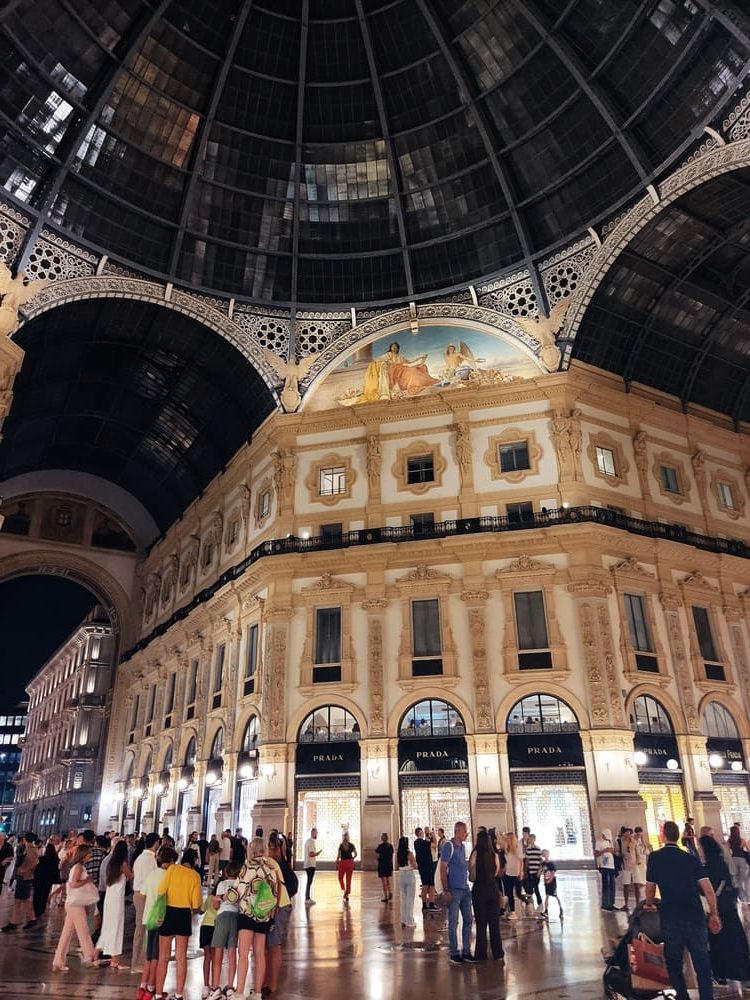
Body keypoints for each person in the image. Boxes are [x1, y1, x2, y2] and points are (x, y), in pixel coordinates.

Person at [644, 819, 720, 1000]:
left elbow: (650, 888)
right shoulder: (690, 858)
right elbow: (708, 890)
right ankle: (707, 997)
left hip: (671, 916)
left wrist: (649, 903)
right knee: (701, 961)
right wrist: (714, 914)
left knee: (674, 961)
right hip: (695, 916)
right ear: (678, 836)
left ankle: (682, 996)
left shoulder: (655, 858)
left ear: (663, 836)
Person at [698, 833, 750, 985]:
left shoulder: (709, 866)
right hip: (727, 904)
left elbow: (709, 888)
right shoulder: (721, 861)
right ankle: (739, 970)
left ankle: (721, 971)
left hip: (718, 906)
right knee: (733, 937)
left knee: (718, 938)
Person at [235, 836, 283, 1000]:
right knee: (260, 954)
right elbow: (275, 893)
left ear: (252, 849)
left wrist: (224, 897)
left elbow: (239, 889)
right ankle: (257, 993)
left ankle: (239, 992)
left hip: (248, 914)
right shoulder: (270, 868)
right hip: (263, 915)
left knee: (243, 954)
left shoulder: (249, 865)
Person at [154, 848, 203, 1000]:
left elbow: (161, 890)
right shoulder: (195, 876)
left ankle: (158, 993)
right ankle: (179, 994)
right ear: (194, 862)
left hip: (169, 912)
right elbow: (196, 905)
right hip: (183, 915)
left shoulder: (172, 869)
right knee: (181, 957)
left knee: (163, 956)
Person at [51, 844, 100, 971]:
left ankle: (58, 961)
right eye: (89, 853)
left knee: (67, 933)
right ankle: (90, 957)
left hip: (74, 903)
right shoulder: (78, 867)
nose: (90, 855)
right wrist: (87, 880)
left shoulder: (79, 867)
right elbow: (73, 884)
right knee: (83, 930)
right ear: (83, 854)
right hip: (75, 904)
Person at [139, 846, 178, 1000]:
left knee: (149, 956)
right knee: (158, 956)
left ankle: (142, 986)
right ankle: (151, 988)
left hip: (149, 918)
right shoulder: (168, 877)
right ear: (171, 862)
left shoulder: (152, 874)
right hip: (162, 920)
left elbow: (142, 895)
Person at [264, 830, 298, 996]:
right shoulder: (280, 864)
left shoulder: (276, 865)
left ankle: (272, 984)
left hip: (278, 906)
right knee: (266, 945)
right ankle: (265, 981)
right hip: (269, 907)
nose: (268, 851)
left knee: (273, 943)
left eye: (270, 848)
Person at [439, 821, 475, 965]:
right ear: (458, 831)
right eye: (465, 831)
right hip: (453, 890)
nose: (466, 834)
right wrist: (446, 889)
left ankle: (466, 951)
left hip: (465, 889)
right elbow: (443, 869)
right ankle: (454, 953)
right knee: (454, 922)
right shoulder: (449, 846)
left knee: (468, 919)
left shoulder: (463, 847)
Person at [469, 829, 504, 962]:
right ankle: (498, 953)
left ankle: (480, 954)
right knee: (494, 924)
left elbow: (472, 875)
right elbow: (496, 872)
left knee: (481, 924)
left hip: (479, 891)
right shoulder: (494, 855)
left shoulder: (475, 854)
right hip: (492, 891)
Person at [98, 838, 133, 969]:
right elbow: (130, 876)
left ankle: (97, 953)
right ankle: (115, 960)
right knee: (117, 927)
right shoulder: (122, 864)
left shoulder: (110, 862)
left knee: (108, 925)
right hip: (117, 899)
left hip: (109, 897)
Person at [209, 861, 241, 999]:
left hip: (222, 917)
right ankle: (230, 987)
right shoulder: (240, 885)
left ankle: (215, 987)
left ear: (226, 873)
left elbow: (216, 905)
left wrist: (219, 899)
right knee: (232, 953)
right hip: (235, 917)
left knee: (218, 953)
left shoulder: (222, 885)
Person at [132, 831, 160, 973]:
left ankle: (139, 961)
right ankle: (138, 963)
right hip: (144, 896)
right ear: (156, 843)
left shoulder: (140, 858)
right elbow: (152, 880)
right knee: (142, 930)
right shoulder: (149, 860)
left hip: (139, 894)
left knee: (142, 929)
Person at [1, 831, 38, 931]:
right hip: (25, 877)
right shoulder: (32, 849)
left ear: (25, 839)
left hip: (24, 877)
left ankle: (15, 922)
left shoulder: (30, 850)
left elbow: (33, 863)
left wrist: (22, 870)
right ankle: (28, 919)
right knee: (24, 900)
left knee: (19, 900)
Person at [32, 842, 60, 919]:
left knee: (37, 895)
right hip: (48, 881)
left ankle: (36, 910)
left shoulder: (42, 859)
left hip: (39, 880)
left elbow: (36, 869)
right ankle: (41, 910)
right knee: (44, 895)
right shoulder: (56, 859)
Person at [396, 836, 418, 928]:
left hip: (401, 874)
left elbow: (397, 864)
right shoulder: (409, 853)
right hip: (409, 874)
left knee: (404, 898)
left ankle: (403, 920)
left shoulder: (398, 854)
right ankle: (410, 921)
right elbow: (415, 865)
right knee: (410, 898)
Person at [501, 832, 523, 919]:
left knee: (518, 893)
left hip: (516, 873)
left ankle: (527, 902)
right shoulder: (507, 848)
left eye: (508, 839)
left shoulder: (518, 848)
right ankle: (512, 911)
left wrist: (521, 872)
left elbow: (521, 861)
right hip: (508, 873)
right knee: (509, 893)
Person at [413, 827, 436, 911]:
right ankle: (431, 904)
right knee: (431, 885)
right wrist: (432, 836)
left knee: (425, 885)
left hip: (421, 867)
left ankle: (424, 905)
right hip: (428, 866)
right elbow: (434, 845)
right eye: (422, 832)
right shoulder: (424, 842)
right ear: (420, 833)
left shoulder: (416, 843)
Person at [594, 828, 616, 911]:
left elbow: (613, 853)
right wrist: (604, 851)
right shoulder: (599, 843)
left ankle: (611, 903)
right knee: (606, 885)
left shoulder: (610, 842)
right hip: (604, 866)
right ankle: (605, 904)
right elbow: (596, 854)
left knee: (612, 886)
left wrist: (611, 851)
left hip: (611, 866)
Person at [727, 825, 750, 903]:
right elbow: (748, 849)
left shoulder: (729, 841)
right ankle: (748, 896)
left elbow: (727, 851)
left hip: (733, 859)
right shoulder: (742, 840)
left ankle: (741, 897)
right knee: (744, 879)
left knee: (736, 878)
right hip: (742, 859)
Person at [540, 849, 562, 919]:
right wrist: (545, 881)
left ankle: (561, 908)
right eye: (544, 854)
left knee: (555, 895)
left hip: (552, 882)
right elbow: (543, 872)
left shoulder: (551, 864)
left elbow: (553, 873)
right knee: (547, 896)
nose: (545, 855)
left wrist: (550, 880)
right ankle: (546, 911)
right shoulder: (543, 863)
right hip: (546, 881)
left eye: (546, 854)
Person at [523, 833, 543, 910]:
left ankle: (539, 901)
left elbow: (540, 860)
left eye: (532, 839)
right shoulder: (528, 849)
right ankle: (535, 900)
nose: (530, 840)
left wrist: (539, 870)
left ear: (534, 839)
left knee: (536, 886)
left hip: (536, 871)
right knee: (533, 886)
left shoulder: (538, 849)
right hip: (530, 871)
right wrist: (525, 871)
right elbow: (527, 861)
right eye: (529, 839)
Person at [336, 832, 357, 902]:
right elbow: (355, 853)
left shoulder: (344, 845)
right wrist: (352, 858)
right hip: (347, 863)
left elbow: (339, 855)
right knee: (345, 878)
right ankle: (346, 891)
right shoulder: (346, 845)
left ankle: (345, 892)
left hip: (345, 863)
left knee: (343, 878)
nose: (345, 838)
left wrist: (337, 860)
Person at [303, 827, 321, 905]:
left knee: (309, 881)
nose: (317, 834)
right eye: (316, 833)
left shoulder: (308, 841)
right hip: (310, 864)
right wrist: (318, 853)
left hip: (308, 864)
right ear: (313, 833)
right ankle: (307, 898)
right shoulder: (311, 842)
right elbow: (311, 854)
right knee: (309, 881)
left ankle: (307, 897)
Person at [376, 833, 394, 902]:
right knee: (388, 880)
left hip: (382, 864)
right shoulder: (390, 846)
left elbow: (377, 855)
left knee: (383, 881)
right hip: (388, 864)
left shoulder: (380, 846)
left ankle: (386, 896)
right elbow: (391, 855)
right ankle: (390, 891)